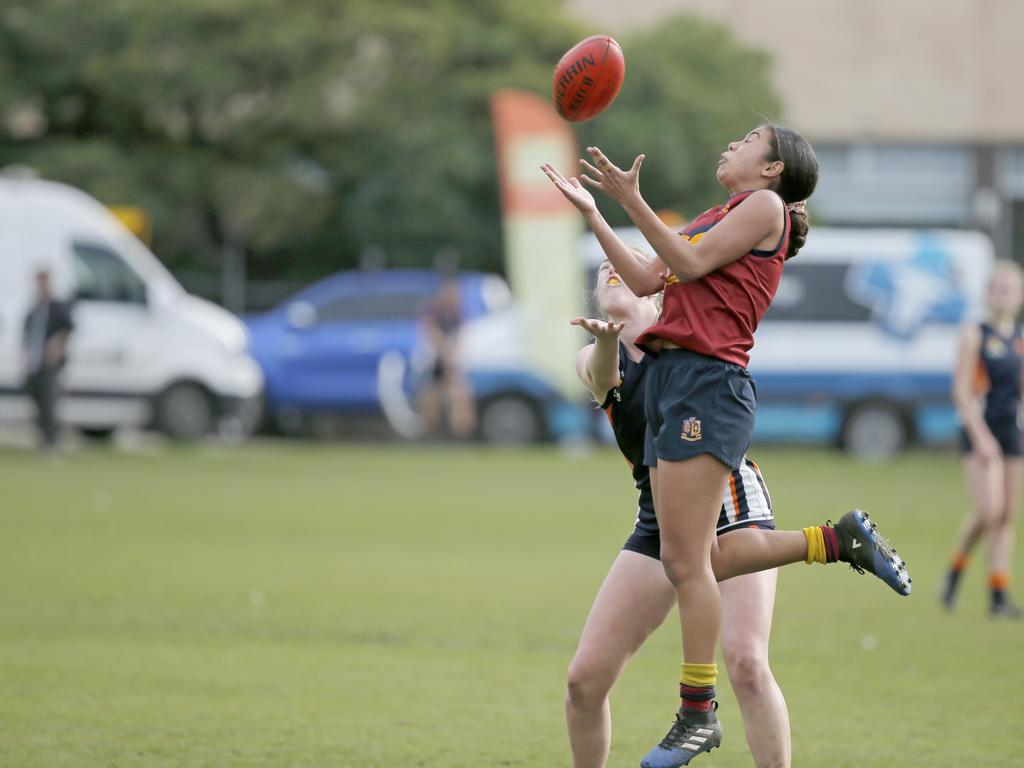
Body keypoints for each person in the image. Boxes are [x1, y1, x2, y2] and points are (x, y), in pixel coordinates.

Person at [543, 124, 909, 768]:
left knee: (701, 580)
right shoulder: (721, 214)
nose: (730, 144)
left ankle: (696, 713)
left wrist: (631, 200)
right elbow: (649, 274)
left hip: (708, 385)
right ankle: (835, 540)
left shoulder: (765, 207)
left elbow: (680, 267)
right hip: (678, 390)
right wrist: (597, 214)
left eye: (747, 139)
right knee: (681, 572)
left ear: (773, 169)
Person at [942, 260, 1024, 618]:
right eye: (997, 288)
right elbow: (962, 392)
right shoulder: (974, 333)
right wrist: (982, 437)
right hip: (980, 429)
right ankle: (955, 572)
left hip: (1012, 431)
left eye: (1010, 289)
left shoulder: (1020, 339)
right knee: (989, 511)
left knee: (1005, 514)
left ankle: (998, 595)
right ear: (987, 293)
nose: (1003, 295)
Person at [417, 278, 476, 440]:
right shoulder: (433, 312)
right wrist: (446, 354)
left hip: (450, 359)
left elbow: (458, 338)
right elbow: (432, 335)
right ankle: (431, 431)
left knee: (459, 394)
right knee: (431, 396)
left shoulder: (457, 314)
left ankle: (461, 433)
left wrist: (452, 357)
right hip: (434, 360)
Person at [22, 268, 74, 452]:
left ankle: (51, 441)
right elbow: (27, 331)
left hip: (50, 363)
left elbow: (68, 326)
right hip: (34, 362)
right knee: (35, 397)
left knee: (49, 401)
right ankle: (44, 435)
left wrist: (57, 343)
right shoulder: (34, 307)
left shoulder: (57, 306)